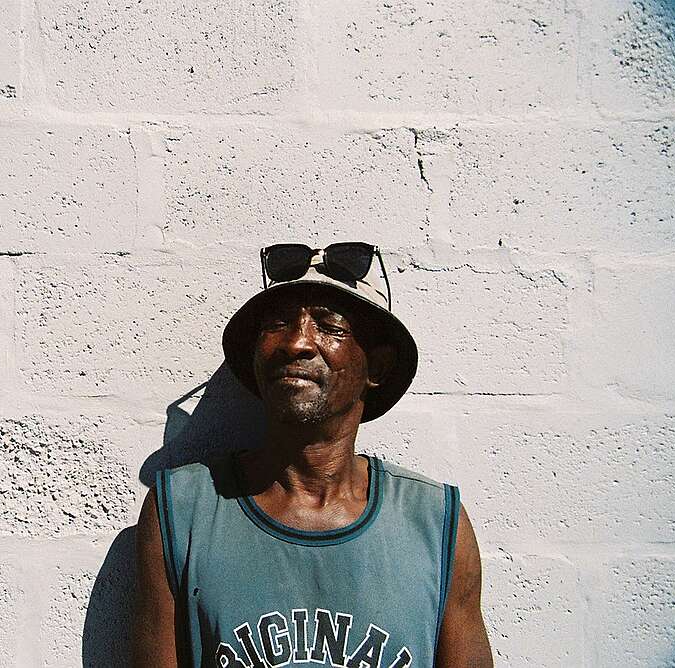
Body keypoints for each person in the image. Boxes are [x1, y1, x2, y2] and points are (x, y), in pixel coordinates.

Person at [132, 242, 493, 667]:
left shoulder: (434, 522)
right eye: (279, 324)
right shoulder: (182, 510)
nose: (297, 342)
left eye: (330, 326)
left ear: (376, 368)